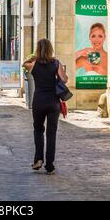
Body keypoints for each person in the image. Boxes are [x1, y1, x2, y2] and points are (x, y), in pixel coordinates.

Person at [23, 39, 68, 175]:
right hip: (53, 102)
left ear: (38, 49)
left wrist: (34, 57)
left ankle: (38, 159)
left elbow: (23, 64)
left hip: (39, 102)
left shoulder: (33, 64)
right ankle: (50, 166)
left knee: (38, 129)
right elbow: (65, 79)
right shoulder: (56, 63)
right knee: (51, 133)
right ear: (50, 49)